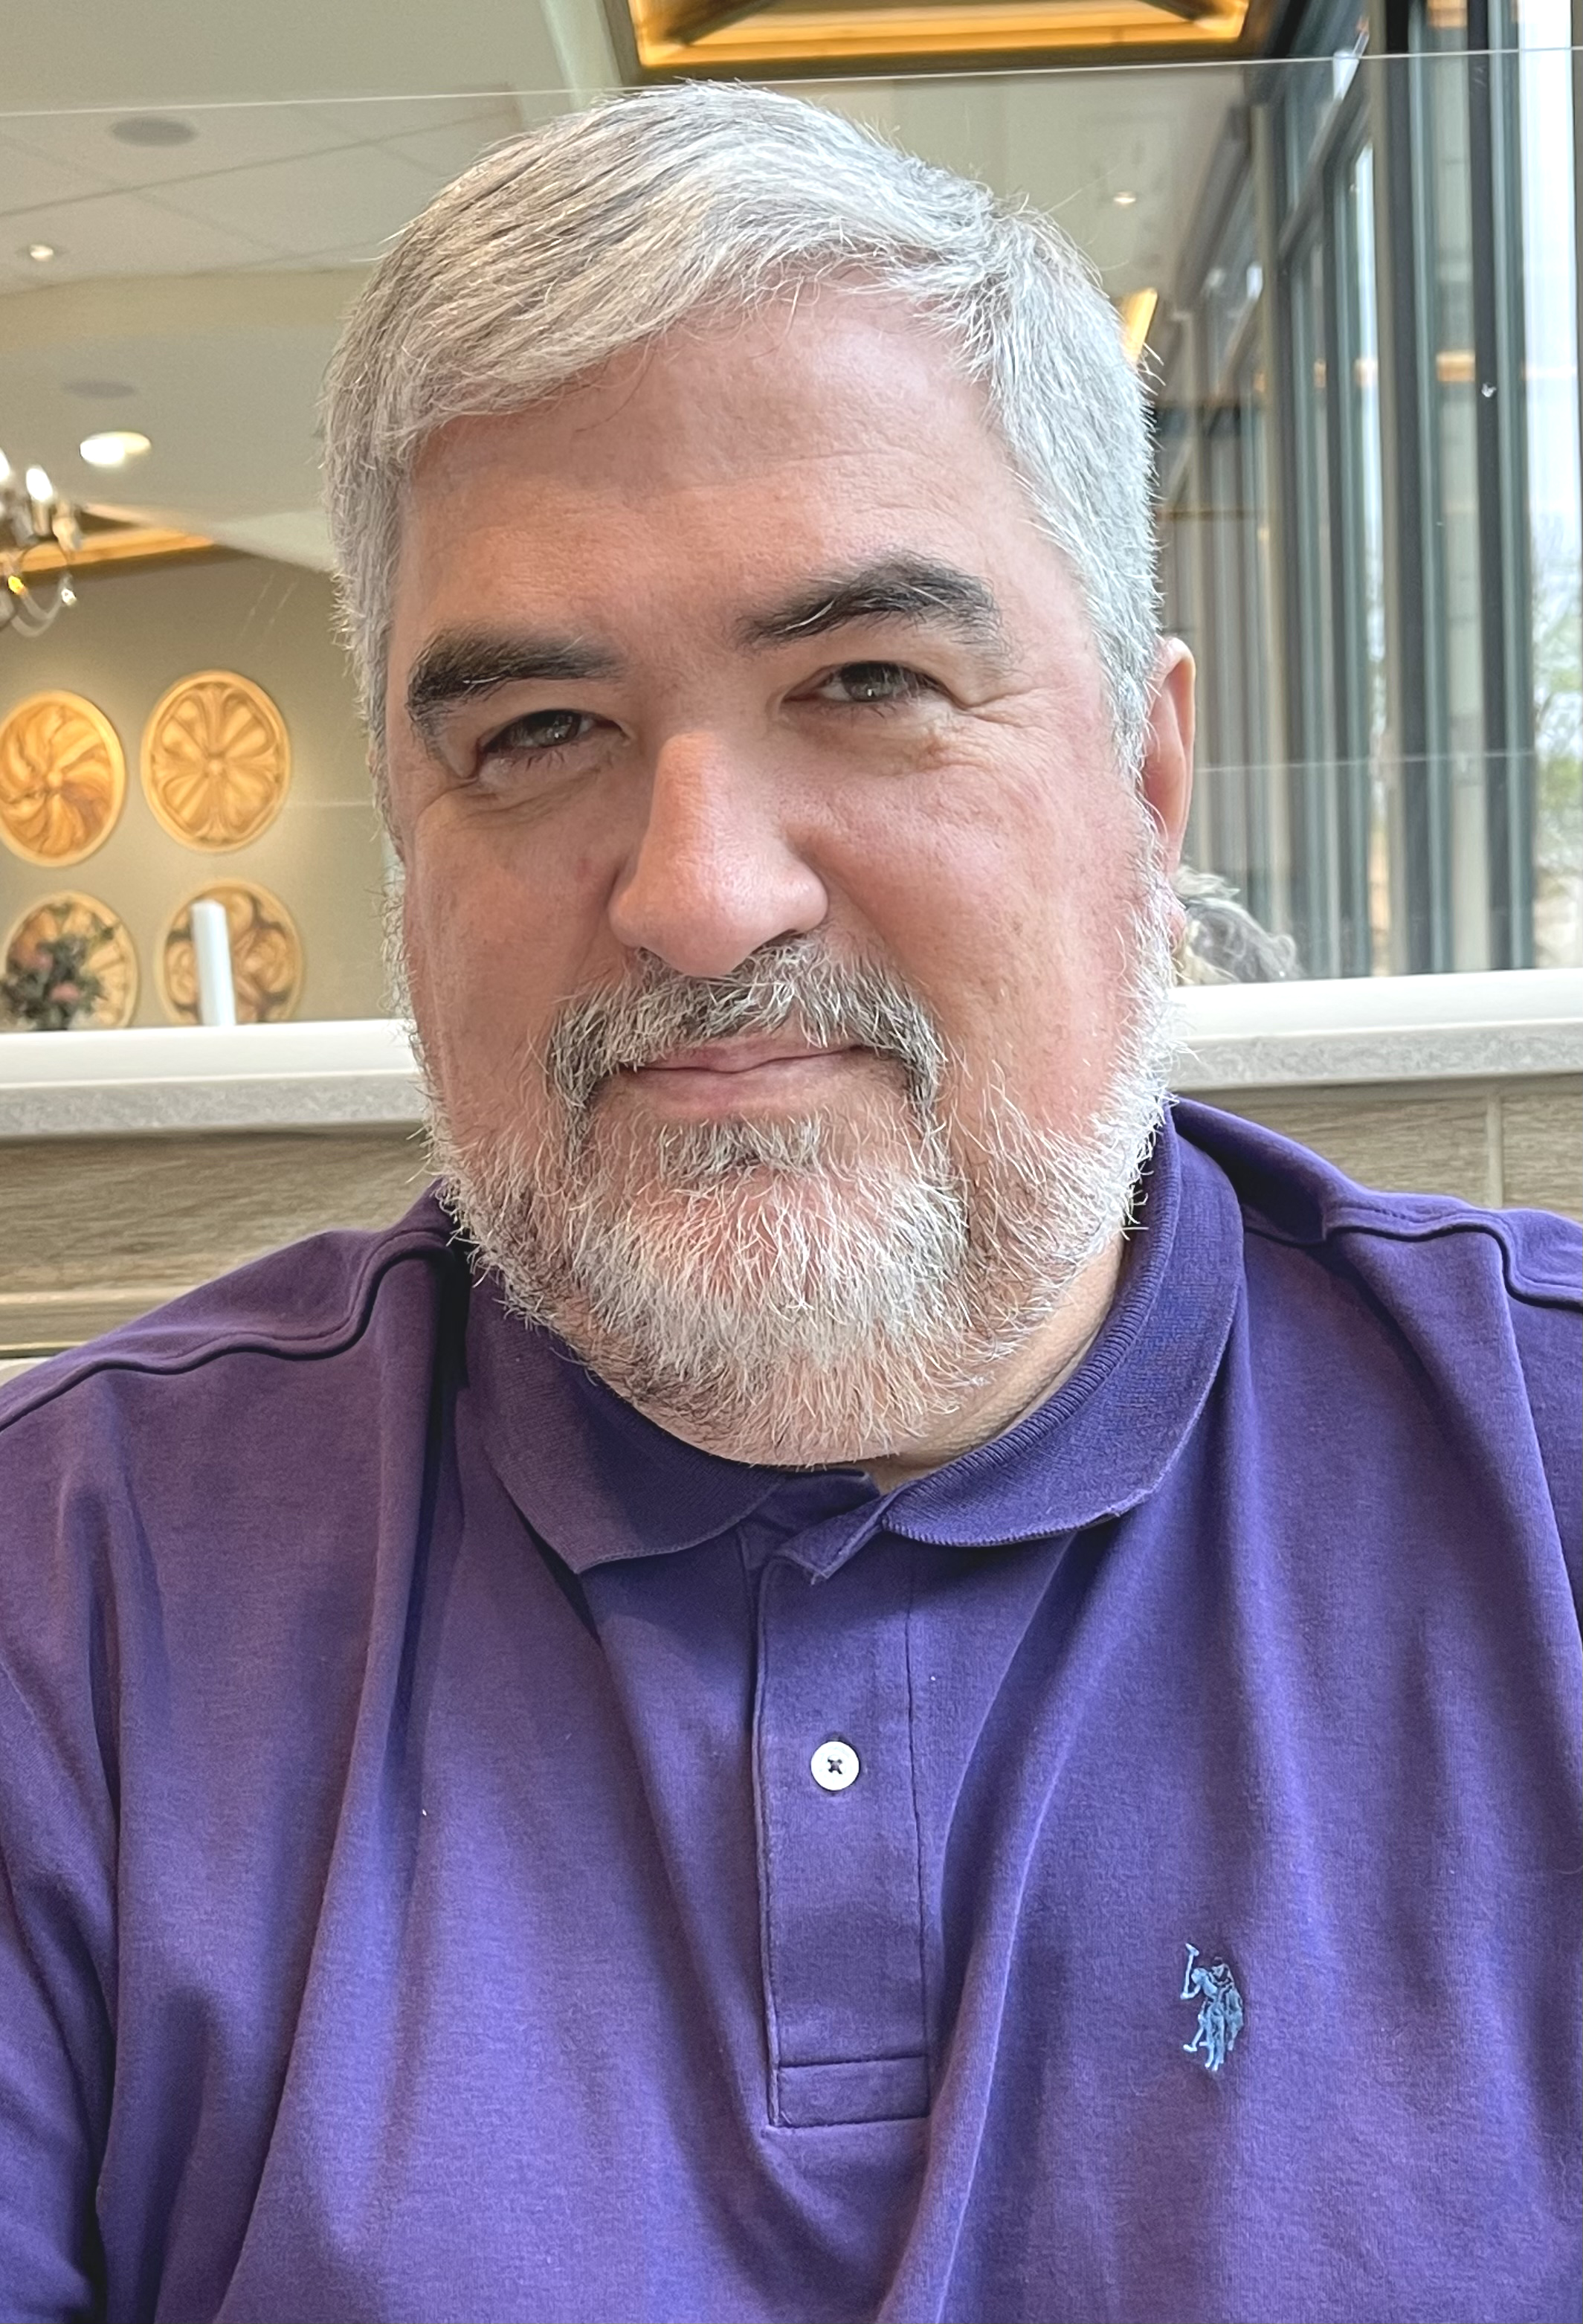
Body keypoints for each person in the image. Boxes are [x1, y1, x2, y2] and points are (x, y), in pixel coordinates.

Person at [0, 82, 1576, 2324]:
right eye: (537, 731)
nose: (700, 894)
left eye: (866, 684)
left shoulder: (1546, 1490)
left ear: (1145, 778)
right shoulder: (69, 1602)